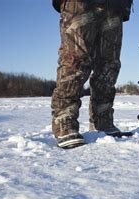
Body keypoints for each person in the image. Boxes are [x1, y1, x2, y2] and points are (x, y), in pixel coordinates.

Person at [51, 0, 133, 149]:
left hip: (115, 5)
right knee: (75, 61)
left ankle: (103, 121)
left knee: (109, 65)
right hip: (80, 4)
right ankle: (65, 122)